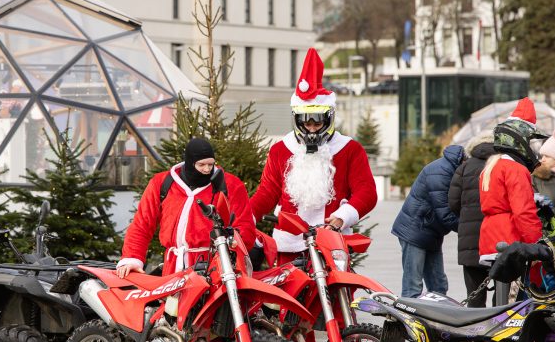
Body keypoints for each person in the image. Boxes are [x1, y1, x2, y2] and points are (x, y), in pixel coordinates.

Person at [251, 48, 377, 261]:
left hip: (332, 243)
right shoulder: (281, 150)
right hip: (288, 246)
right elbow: (267, 193)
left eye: (317, 122)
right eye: (305, 123)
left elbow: (366, 192)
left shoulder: (349, 149)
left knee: (338, 293)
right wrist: (246, 218)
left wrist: (341, 217)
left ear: (328, 119)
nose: (311, 128)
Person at [117, 137, 255, 277]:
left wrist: (232, 246)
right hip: (173, 267)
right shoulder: (162, 183)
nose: (207, 169)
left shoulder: (230, 185)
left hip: (216, 267)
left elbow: (245, 226)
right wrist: (132, 258)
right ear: (190, 163)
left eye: (211, 164)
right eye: (201, 165)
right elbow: (142, 224)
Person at [478, 98, 545, 263]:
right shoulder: (515, 169)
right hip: (511, 238)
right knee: (522, 288)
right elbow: (523, 211)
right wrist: (537, 242)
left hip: (489, 238)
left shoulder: (491, 166)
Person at [392, 145, 463, 298]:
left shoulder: (453, 168)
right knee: (413, 286)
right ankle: (407, 321)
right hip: (414, 231)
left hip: (431, 231)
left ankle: (437, 319)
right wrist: (469, 229)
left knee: (439, 285)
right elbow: (445, 213)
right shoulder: (441, 172)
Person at [448, 130, 495, 307]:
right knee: (503, 292)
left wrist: (467, 216)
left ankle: (476, 331)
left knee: (474, 293)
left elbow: (453, 202)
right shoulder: (504, 165)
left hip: (470, 238)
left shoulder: (464, 168)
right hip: (497, 236)